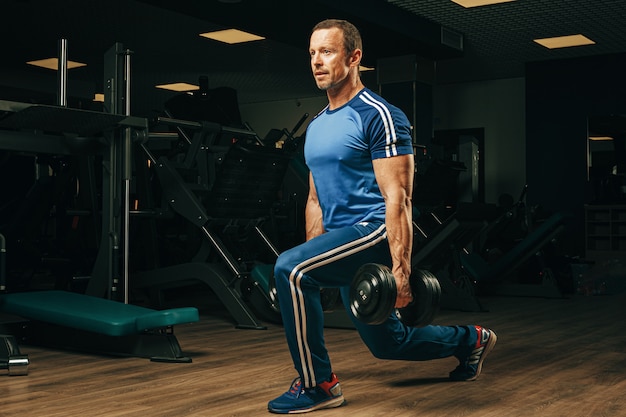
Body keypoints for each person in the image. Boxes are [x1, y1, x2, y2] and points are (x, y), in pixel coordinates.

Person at [267, 19, 497, 414]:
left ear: (354, 57)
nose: (316, 62)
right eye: (311, 53)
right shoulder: (318, 126)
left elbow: (399, 198)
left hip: (373, 231)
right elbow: (315, 200)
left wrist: (401, 271)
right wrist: (314, 256)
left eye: (327, 51)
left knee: (288, 269)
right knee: (389, 344)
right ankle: (471, 340)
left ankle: (318, 385)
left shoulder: (379, 115)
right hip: (341, 240)